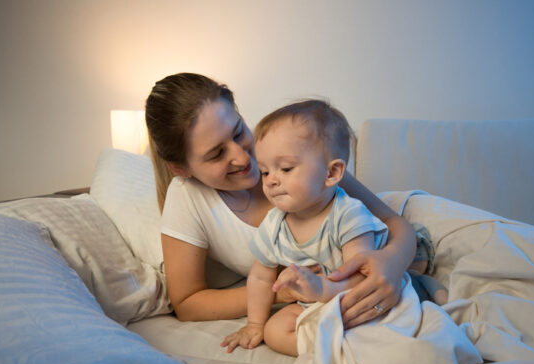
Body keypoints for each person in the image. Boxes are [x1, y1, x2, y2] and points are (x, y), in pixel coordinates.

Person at [144, 73, 416, 333]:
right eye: (216, 154)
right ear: (181, 168)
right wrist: (280, 292)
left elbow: (394, 222)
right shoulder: (188, 198)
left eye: (239, 132)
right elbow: (187, 303)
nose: (242, 157)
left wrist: (392, 262)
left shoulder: (289, 154)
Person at [221, 100, 390, 356]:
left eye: (286, 168)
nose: (272, 181)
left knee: (390, 309)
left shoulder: (347, 214)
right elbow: (259, 277)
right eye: (265, 172)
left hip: (352, 292)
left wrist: (324, 290)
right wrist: (255, 323)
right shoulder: (274, 224)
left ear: (331, 173)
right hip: (311, 300)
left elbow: (363, 275)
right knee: (274, 332)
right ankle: (333, 353)